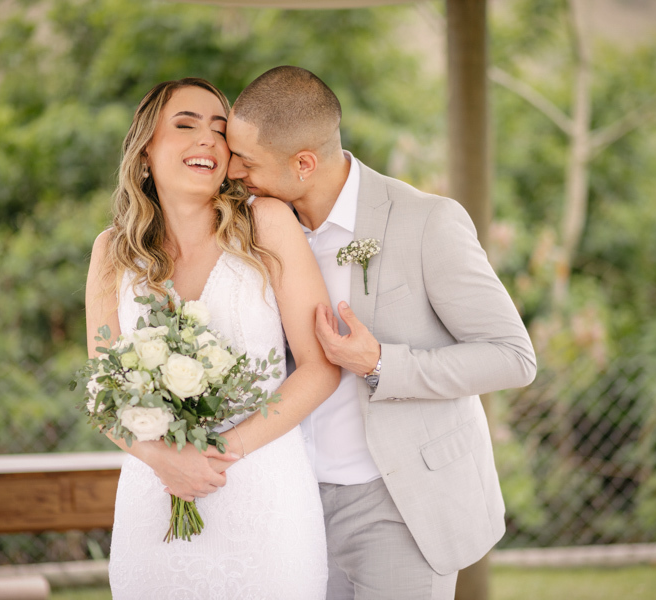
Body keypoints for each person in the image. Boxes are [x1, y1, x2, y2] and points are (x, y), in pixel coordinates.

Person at [223, 66, 538, 599]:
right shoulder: (252, 229)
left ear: (304, 163)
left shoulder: (426, 222)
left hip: (399, 506)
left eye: (247, 161)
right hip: (292, 503)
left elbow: (513, 357)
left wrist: (379, 363)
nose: (233, 171)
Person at [84, 77, 340, 599]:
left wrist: (221, 450)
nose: (207, 138)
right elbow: (102, 394)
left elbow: (320, 368)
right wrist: (163, 459)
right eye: (185, 125)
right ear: (145, 150)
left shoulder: (266, 224)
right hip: (156, 497)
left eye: (220, 130)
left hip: (263, 494)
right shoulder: (112, 253)